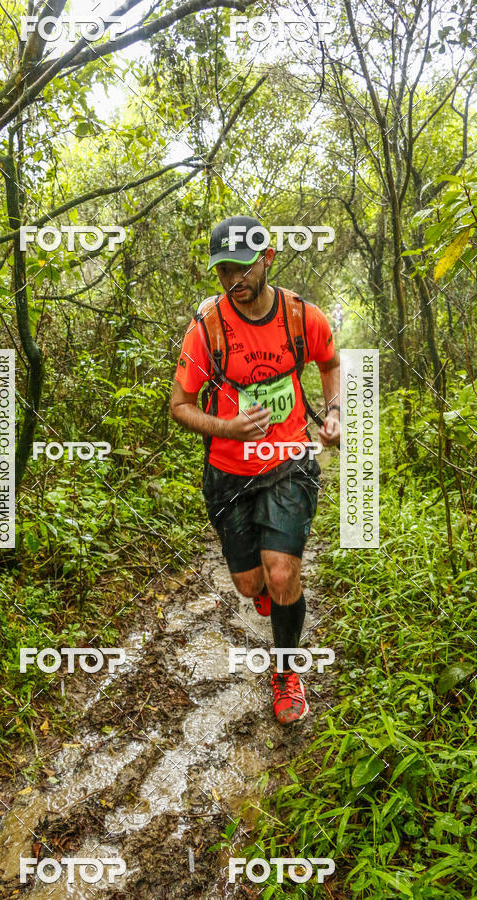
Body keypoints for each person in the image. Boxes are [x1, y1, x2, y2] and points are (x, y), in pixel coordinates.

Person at [170, 215, 340, 724]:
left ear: (267, 259)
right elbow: (179, 406)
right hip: (227, 470)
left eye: (242, 268)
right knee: (250, 584)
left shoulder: (302, 317)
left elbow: (331, 363)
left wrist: (333, 412)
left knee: (283, 571)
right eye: (223, 270)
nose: (233, 280)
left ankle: (286, 672)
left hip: (289, 459)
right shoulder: (207, 328)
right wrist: (228, 427)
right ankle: (267, 591)